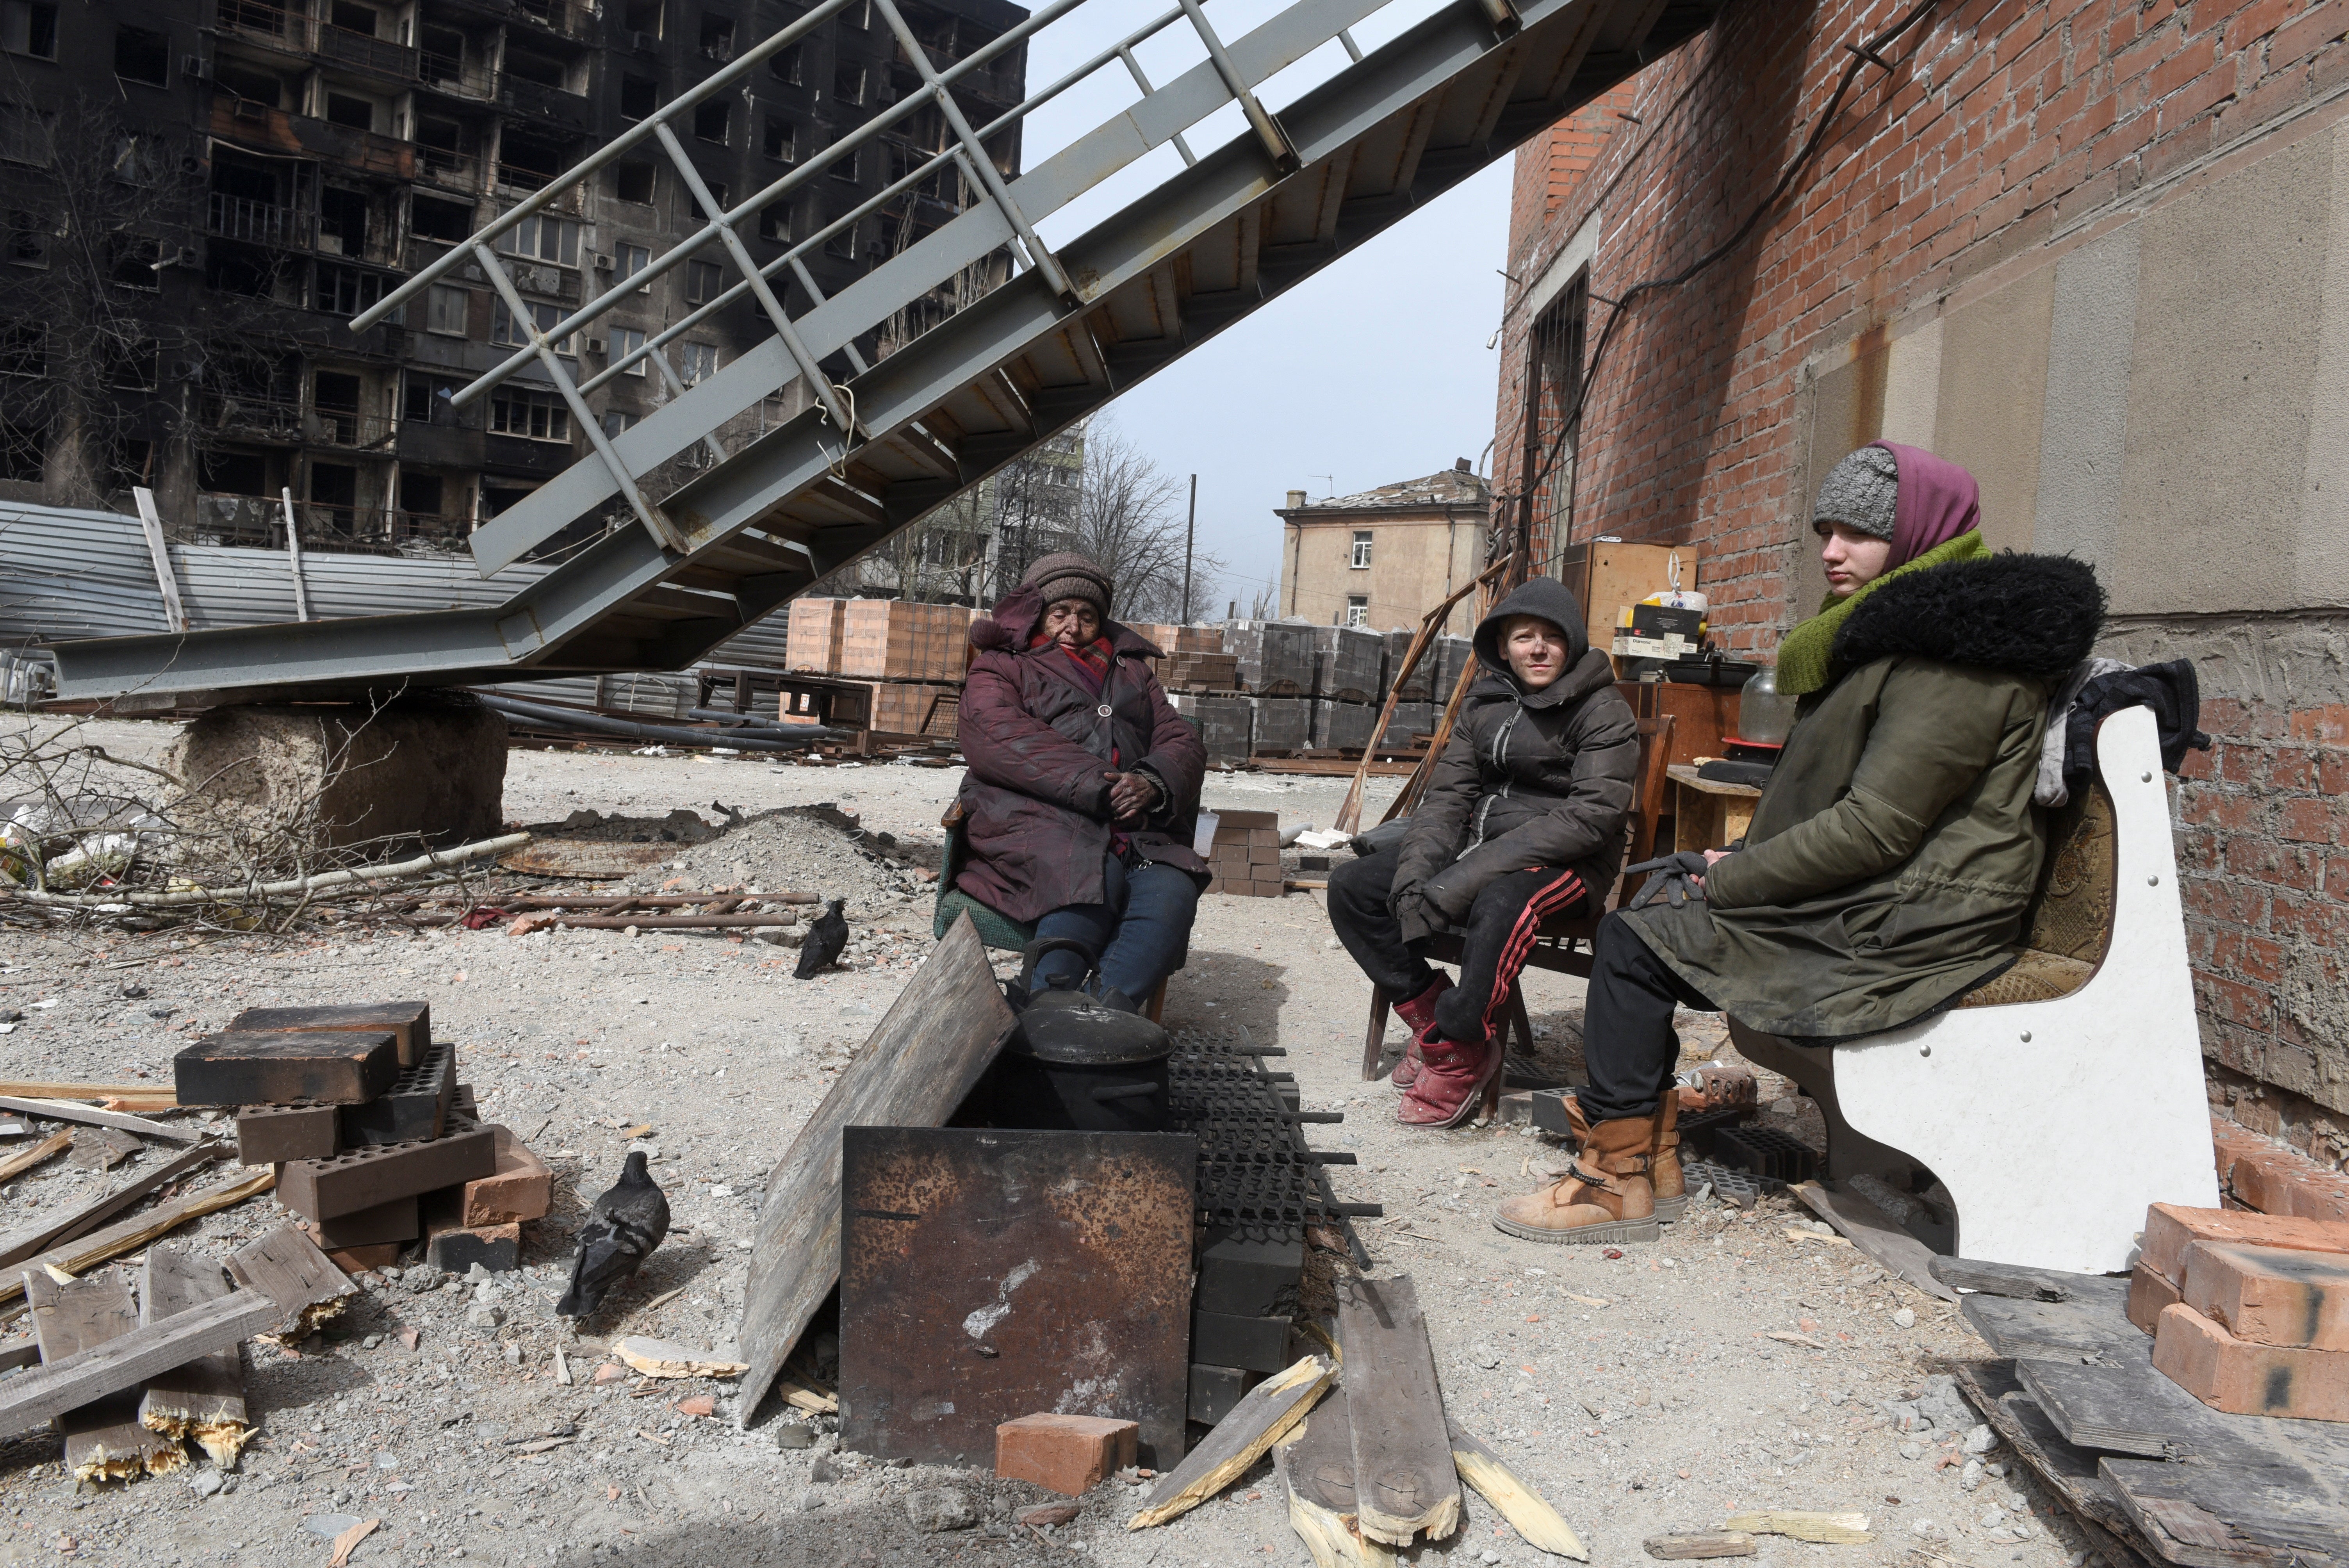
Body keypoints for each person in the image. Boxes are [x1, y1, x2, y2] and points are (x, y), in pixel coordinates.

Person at [1492, 442, 2105, 1244]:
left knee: (1633, 939)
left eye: (1857, 533)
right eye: (1825, 529)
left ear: (1920, 533)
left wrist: (1738, 880)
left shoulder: (1955, 660)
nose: (1831, 551)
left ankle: (1617, 1179)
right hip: (1898, 896)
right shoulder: (1905, 640)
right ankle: (1649, 1155)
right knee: (1654, 910)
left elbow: (1875, 827)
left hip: (1917, 922)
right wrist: (1735, 863)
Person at [1328, 577, 1638, 1128]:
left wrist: (1460, 880)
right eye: (1524, 637)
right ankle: (1435, 1026)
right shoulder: (1487, 703)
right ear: (1503, 647)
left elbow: (1592, 817)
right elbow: (1447, 798)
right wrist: (1416, 875)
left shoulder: (1603, 710)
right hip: (1481, 848)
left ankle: (1465, 1044)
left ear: (1573, 644)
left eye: (1551, 637)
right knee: (1354, 887)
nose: (1537, 648)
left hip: (1568, 863)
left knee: (1500, 901)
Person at [952, 552, 1208, 1009]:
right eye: (1061, 612)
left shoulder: (1133, 670)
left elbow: (1179, 738)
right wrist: (1101, 784)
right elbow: (997, 734)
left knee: (1172, 889)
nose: (1074, 625)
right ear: (1037, 614)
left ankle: (1103, 1016)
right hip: (1036, 819)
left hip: (1135, 829)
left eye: (1087, 615)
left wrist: (1151, 781)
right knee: (1089, 871)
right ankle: (1048, 1004)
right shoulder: (1002, 665)